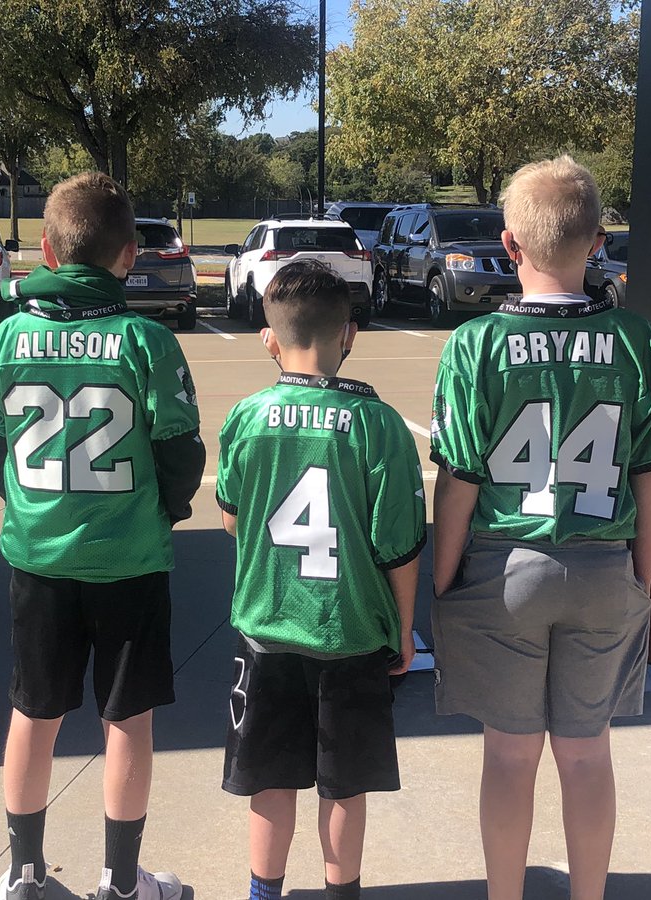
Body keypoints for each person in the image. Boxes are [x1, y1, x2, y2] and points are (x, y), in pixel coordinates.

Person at [429, 156, 651, 900]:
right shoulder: (639, 342)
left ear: (509, 246)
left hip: (505, 568)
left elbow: (457, 483)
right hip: (604, 564)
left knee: (509, 758)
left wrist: (443, 581)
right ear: (597, 240)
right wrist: (644, 571)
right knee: (587, 754)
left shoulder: (473, 345)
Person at [0, 172, 205, 900]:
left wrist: (35, 505)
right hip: (129, 559)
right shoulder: (146, 339)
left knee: (32, 709)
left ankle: (24, 873)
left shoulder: (9, 334)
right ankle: (121, 881)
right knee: (126, 717)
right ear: (129, 255)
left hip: (38, 558)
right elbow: (181, 453)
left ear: (44, 247)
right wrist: (161, 511)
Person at [216, 261, 426, 900]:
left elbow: (229, 519)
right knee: (343, 784)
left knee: (269, 780)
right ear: (350, 336)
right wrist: (405, 630)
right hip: (353, 630)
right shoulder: (379, 424)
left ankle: (264, 890)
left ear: (269, 340)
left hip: (268, 626)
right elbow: (398, 546)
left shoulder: (246, 417)